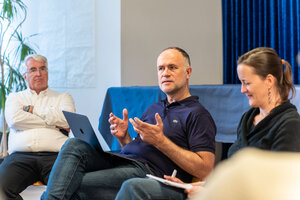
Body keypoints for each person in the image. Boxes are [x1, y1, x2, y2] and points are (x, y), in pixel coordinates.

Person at [115, 47, 300, 199]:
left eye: (247, 83)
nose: (242, 90)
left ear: (269, 81)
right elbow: (232, 173)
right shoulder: (248, 119)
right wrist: (196, 185)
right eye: (241, 83)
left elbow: (278, 186)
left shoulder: (289, 123)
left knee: (134, 188)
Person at [41, 47, 216, 200]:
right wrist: (124, 138)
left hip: (149, 173)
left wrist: (161, 141)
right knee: (74, 144)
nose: (165, 73)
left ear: (188, 72)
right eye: (160, 68)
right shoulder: (155, 107)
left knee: (68, 185)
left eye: (172, 67)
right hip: (125, 161)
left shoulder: (197, 114)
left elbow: (205, 169)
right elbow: (141, 149)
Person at [0, 54, 76, 200]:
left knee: (71, 190)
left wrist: (32, 110)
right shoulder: (15, 98)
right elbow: (15, 120)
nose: (38, 73)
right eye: (33, 69)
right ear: (25, 76)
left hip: (57, 156)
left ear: (47, 72)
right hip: (20, 158)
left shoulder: (63, 97)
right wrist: (54, 122)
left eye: (42, 68)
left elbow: (67, 121)